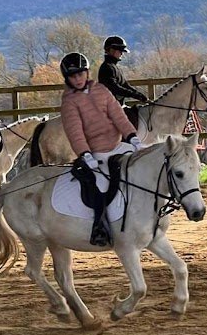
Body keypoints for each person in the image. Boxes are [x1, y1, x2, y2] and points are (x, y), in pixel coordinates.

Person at [60, 52, 145, 246]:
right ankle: (99, 226)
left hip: (118, 145)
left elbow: (119, 117)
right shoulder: (69, 102)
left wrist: (133, 138)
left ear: (87, 73)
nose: (78, 79)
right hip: (95, 152)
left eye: (80, 74)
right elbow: (75, 132)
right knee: (101, 184)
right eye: (73, 76)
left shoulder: (102, 91)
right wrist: (85, 154)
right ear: (68, 79)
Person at [97, 35, 149, 106]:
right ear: (111, 50)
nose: (122, 53)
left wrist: (139, 95)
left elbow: (125, 85)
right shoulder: (107, 68)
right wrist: (134, 95)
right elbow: (115, 88)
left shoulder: (115, 68)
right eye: (120, 51)